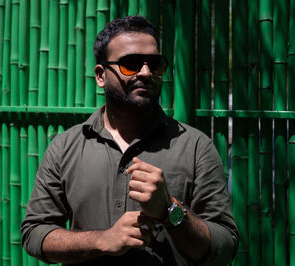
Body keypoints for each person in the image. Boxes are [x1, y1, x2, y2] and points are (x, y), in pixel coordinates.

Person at [21, 15, 238, 265]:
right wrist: (102, 240)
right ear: (101, 75)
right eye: (131, 64)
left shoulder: (196, 146)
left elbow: (225, 245)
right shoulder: (66, 147)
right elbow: (35, 233)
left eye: (154, 64)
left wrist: (170, 209)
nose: (145, 72)